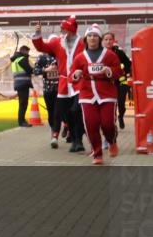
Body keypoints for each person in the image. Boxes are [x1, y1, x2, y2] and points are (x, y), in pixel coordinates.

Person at [32, 16, 86, 152]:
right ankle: (74, 139)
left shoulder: (82, 43)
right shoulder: (58, 42)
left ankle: (79, 139)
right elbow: (42, 47)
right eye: (62, 30)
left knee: (76, 110)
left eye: (65, 29)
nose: (63, 32)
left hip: (79, 82)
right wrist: (38, 34)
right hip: (63, 83)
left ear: (72, 30)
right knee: (66, 113)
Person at [70, 24, 122, 165]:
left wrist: (109, 71)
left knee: (107, 124)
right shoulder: (80, 57)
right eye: (89, 36)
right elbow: (71, 76)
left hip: (106, 93)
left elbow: (119, 71)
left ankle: (111, 141)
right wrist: (76, 74)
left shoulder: (110, 55)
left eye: (95, 36)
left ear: (99, 38)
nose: (92, 38)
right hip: (87, 94)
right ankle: (97, 154)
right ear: (86, 39)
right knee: (91, 124)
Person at [102, 31, 132, 130]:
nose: (108, 41)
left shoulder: (119, 52)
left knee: (121, 103)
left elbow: (128, 64)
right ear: (102, 41)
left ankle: (121, 116)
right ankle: (112, 123)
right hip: (106, 84)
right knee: (111, 104)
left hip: (121, 82)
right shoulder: (99, 53)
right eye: (106, 39)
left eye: (110, 39)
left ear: (113, 40)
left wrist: (126, 73)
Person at [33, 52, 60, 143]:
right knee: (51, 112)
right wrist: (46, 69)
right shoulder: (42, 57)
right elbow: (35, 71)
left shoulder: (61, 55)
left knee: (58, 112)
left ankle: (56, 135)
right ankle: (53, 130)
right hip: (48, 90)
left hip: (61, 90)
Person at [10, 45, 34, 127]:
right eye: (27, 52)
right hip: (23, 83)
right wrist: (37, 69)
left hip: (18, 83)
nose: (28, 54)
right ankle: (22, 121)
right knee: (23, 103)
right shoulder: (22, 59)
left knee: (22, 103)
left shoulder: (15, 60)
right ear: (23, 51)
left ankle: (22, 120)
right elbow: (29, 70)